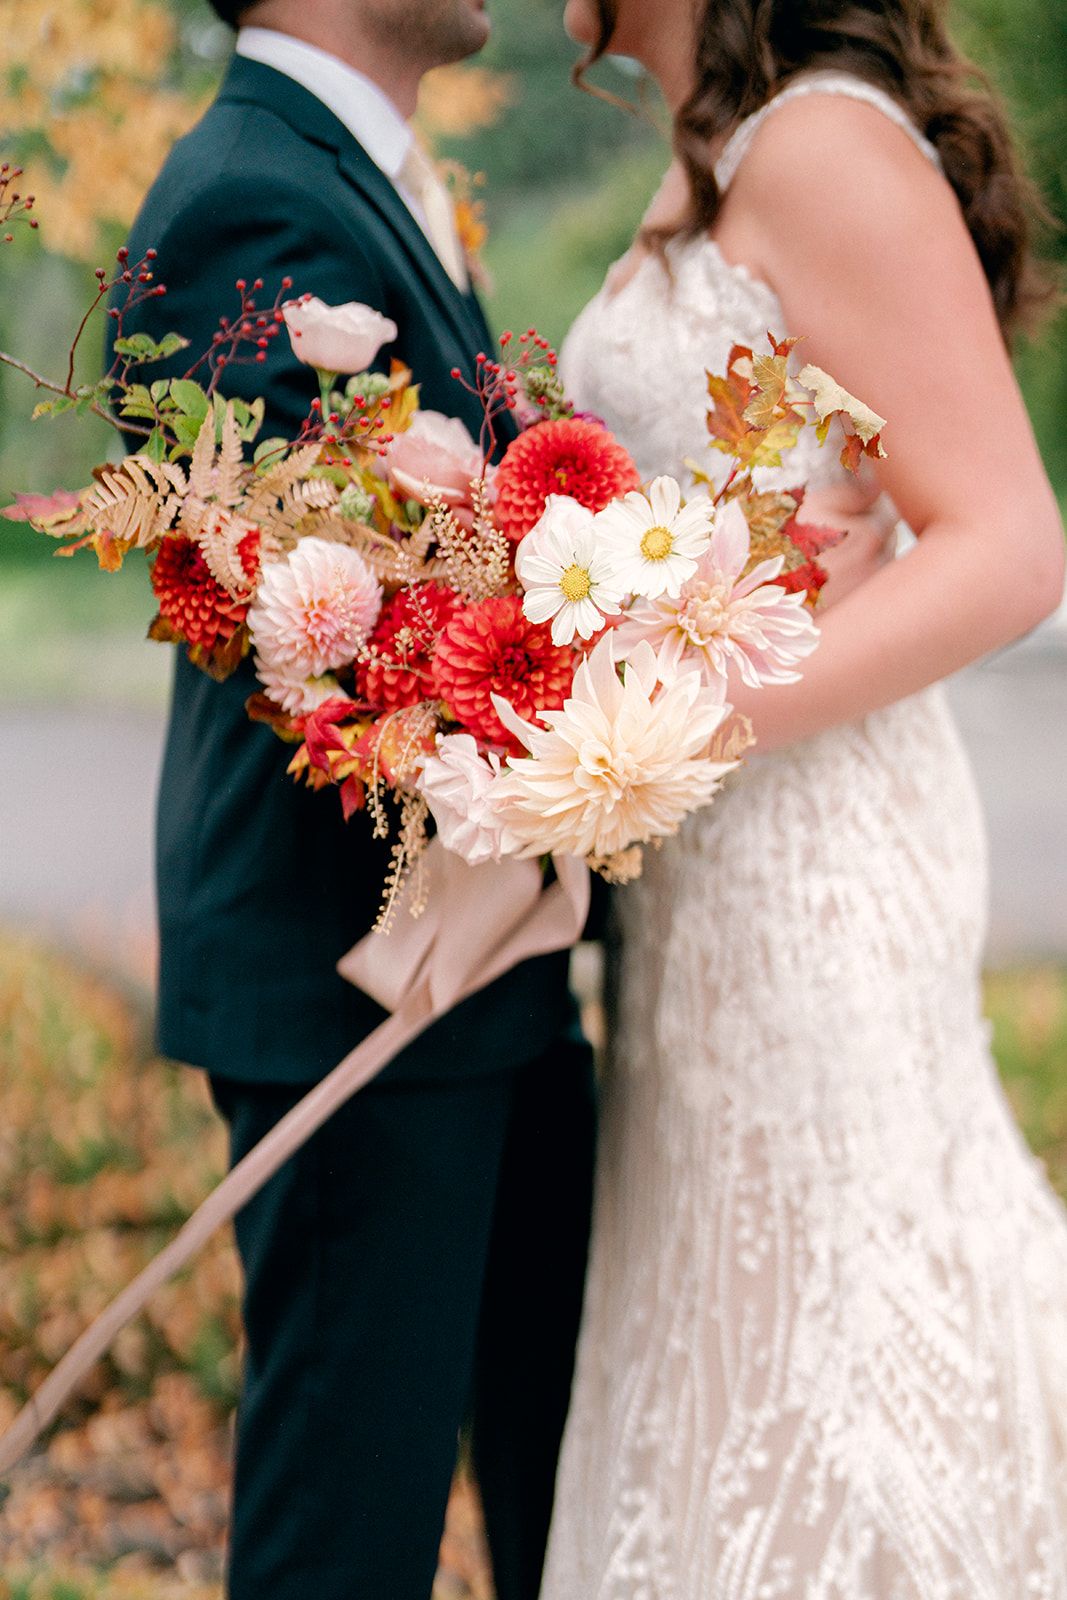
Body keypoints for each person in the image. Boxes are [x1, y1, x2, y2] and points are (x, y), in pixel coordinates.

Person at [539, 1, 1067, 1595]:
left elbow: (1007, 543)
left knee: (838, 1335)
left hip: (819, 868)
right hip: (702, 889)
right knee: (728, 1324)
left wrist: (670, 722)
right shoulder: (703, 163)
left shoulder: (824, 146)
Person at [112, 4, 596, 1597]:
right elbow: (301, 635)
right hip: (359, 999)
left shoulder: (364, 176)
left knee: (556, 1490)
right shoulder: (249, 194)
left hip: (481, 974)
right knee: (347, 1544)